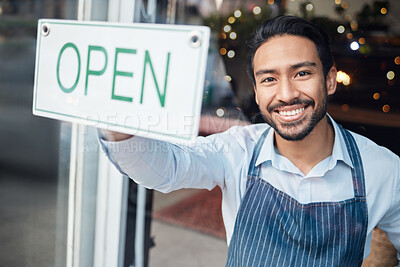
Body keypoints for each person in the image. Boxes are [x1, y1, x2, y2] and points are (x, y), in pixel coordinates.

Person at [99, 16, 400, 266]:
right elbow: (167, 168)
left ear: (330, 79)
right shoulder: (237, 149)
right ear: (256, 93)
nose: (286, 94)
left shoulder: (383, 170)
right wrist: (118, 124)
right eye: (269, 79)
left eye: (302, 73)